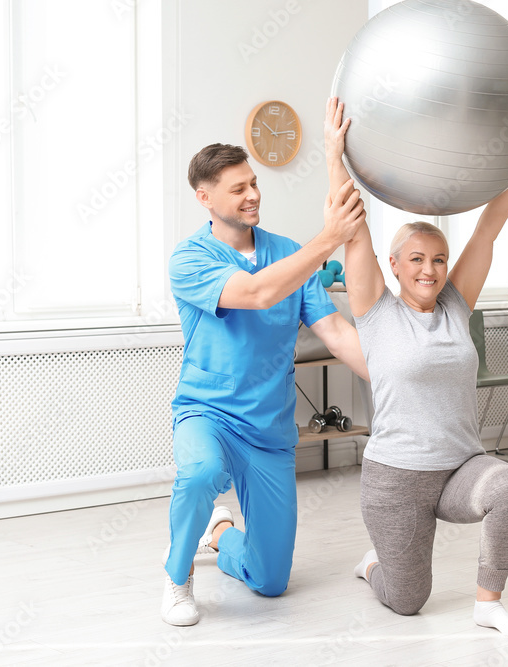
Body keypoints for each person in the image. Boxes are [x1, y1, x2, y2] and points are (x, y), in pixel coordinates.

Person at [324, 98, 508, 639]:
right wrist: (334, 153)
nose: (429, 269)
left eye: (438, 258)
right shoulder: (376, 311)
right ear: (393, 267)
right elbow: (351, 223)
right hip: (395, 481)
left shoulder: (457, 305)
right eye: (416, 259)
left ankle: (488, 604)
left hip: (459, 468)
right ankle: (375, 565)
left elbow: (488, 229)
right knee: (408, 600)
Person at [162, 142, 369, 626]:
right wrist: (330, 238)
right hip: (207, 413)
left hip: (269, 428)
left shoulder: (288, 254)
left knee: (271, 580)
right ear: (204, 198)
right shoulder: (189, 259)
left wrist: (395, 376)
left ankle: (219, 535)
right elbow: (255, 293)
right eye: (238, 189)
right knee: (198, 475)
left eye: (254, 183)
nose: (253, 194)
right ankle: (176, 577)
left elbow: (335, 331)